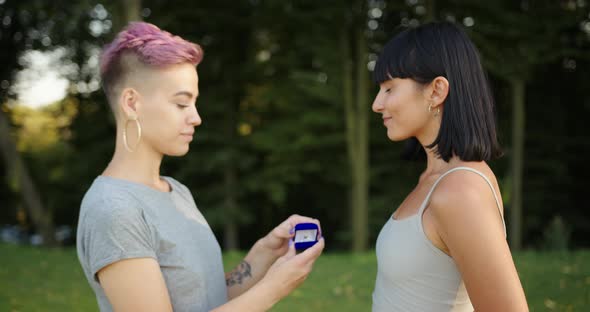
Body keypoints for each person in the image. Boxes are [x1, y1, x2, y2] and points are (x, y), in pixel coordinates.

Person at [76, 22, 325, 312]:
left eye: (194, 103)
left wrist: (264, 254)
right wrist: (273, 290)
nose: (196, 117)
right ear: (132, 103)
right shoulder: (114, 210)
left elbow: (205, 299)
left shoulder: (176, 191)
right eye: (182, 103)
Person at [370, 22, 528, 311]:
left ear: (436, 91)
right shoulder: (433, 180)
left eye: (389, 88)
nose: (377, 104)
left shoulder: (460, 191)